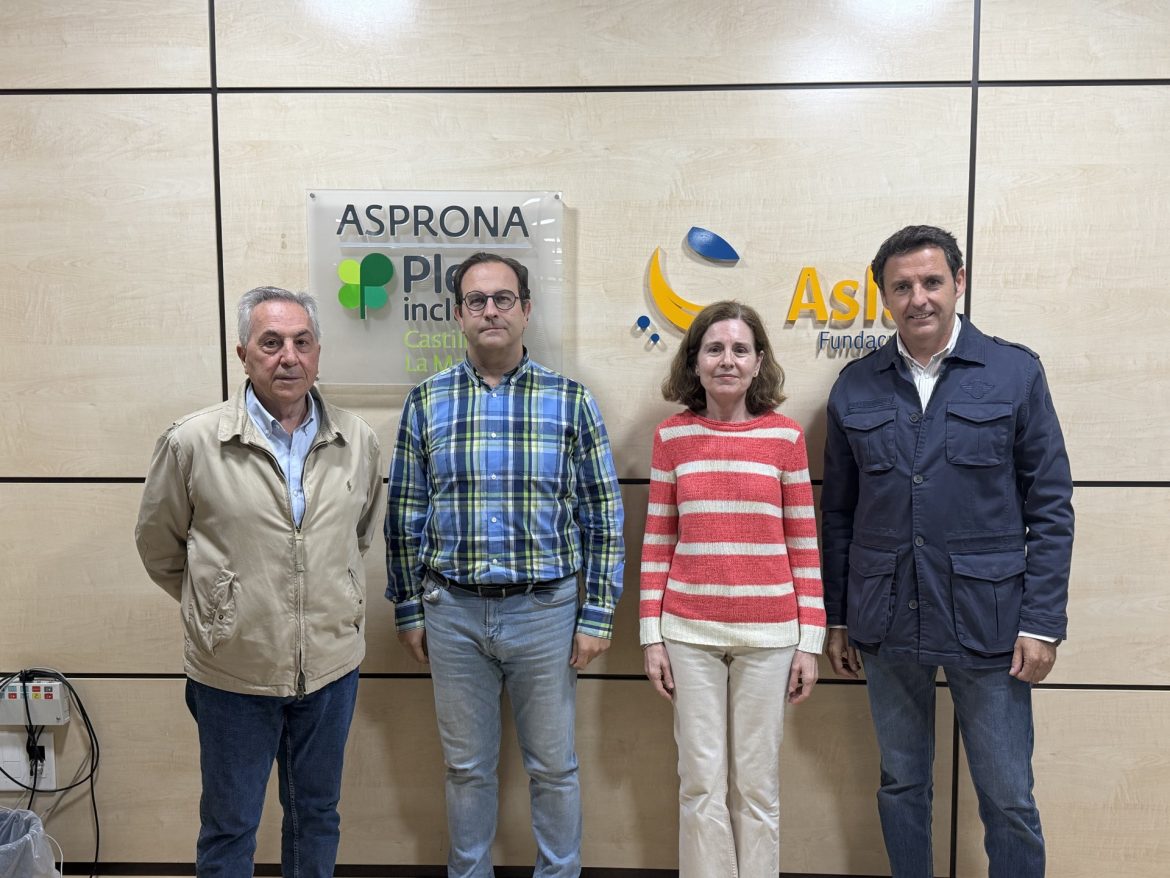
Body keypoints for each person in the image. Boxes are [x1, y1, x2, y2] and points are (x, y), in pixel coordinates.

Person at [821, 225, 1074, 877]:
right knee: (901, 784)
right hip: (885, 618)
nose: (919, 298)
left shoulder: (1015, 373)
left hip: (989, 623)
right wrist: (838, 617)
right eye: (902, 286)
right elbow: (840, 513)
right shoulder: (854, 387)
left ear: (959, 283)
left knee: (1008, 798)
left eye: (932, 281)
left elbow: (1050, 506)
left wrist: (1042, 623)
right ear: (884, 297)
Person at [384, 251, 625, 878]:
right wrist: (408, 608)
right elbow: (405, 513)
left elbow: (602, 515)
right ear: (458, 314)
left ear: (526, 309)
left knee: (554, 768)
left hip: (546, 613)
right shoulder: (426, 401)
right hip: (451, 613)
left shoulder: (571, 401)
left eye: (503, 299)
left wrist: (597, 613)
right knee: (465, 769)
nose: (490, 310)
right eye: (476, 300)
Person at [135, 287, 385, 878]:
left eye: (302, 342)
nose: (288, 357)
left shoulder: (357, 441)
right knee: (230, 826)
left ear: (318, 353)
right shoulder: (193, 441)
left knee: (317, 816)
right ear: (243, 354)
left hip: (330, 669)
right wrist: (222, 610)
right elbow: (159, 546)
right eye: (271, 343)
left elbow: (359, 536)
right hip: (233, 670)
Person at [640, 300, 825, 878]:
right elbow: (657, 542)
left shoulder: (785, 438)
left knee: (758, 787)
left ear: (758, 361)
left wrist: (810, 642)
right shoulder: (672, 437)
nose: (727, 360)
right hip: (688, 632)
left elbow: (804, 544)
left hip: (770, 636)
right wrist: (651, 637)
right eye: (714, 348)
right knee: (699, 784)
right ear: (694, 360)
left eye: (740, 349)